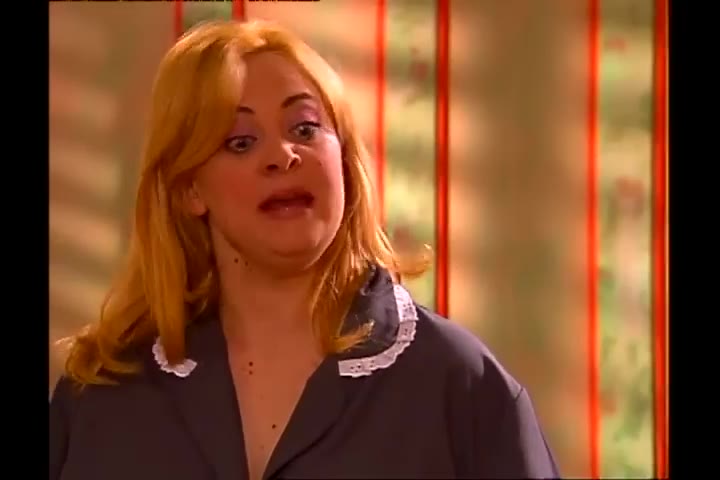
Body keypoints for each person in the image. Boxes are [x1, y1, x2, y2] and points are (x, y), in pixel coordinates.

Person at [49, 20, 560, 480]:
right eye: (241, 141)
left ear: (344, 162)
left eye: (305, 128)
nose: (282, 155)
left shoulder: (457, 384)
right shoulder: (101, 393)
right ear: (190, 190)